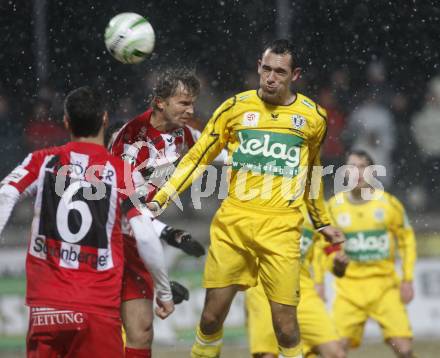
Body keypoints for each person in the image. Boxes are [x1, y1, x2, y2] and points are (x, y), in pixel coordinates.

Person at [149, 39, 344, 358]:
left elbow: (312, 173)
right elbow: (199, 156)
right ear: (258, 67)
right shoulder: (234, 108)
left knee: (285, 326)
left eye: (279, 72)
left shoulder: (313, 118)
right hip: (233, 227)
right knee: (211, 318)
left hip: (281, 231)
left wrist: (322, 222)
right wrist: (163, 196)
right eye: (266, 69)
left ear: (295, 75)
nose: (270, 77)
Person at [0, 86, 174, 357]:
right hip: (96, 306)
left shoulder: (42, 161)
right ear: (105, 119)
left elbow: (6, 194)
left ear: (66, 121)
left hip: (47, 306)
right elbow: (144, 234)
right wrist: (164, 291)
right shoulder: (120, 173)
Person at [109, 68, 214, 357]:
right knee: (106, 332)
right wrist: (166, 236)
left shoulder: (183, 133)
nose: (190, 110)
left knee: (142, 331)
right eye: (183, 103)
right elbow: (123, 205)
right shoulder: (131, 139)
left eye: (192, 103)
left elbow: (214, 149)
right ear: (160, 102)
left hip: (141, 233)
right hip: (114, 239)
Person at [328, 150, 416, 357]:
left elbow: (407, 240)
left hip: (385, 288)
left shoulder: (389, 204)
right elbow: (326, 246)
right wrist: (335, 263)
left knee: (404, 349)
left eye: (362, 166)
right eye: (352, 166)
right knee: (334, 351)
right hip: (349, 290)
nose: (357, 172)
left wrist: (408, 279)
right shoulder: (333, 207)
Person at [246, 209, 348, 358]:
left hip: (302, 290)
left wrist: (338, 264)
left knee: (335, 353)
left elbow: (330, 252)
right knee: (267, 354)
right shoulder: (264, 198)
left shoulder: (319, 211)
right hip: (263, 287)